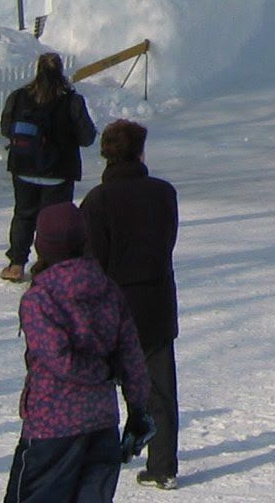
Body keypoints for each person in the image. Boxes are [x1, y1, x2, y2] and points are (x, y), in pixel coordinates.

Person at [4, 203, 151, 502]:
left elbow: (60, 359)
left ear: (40, 245)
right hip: (100, 420)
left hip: (52, 425)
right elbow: (132, 356)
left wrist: (104, 372)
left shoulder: (41, 298)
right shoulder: (108, 289)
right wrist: (138, 409)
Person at [80, 121, 180, 490]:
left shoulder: (97, 201)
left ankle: (99, 454)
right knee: (159, 389)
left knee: (98, 385)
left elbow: (94, 260)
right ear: (139, 151)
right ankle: (163, 464)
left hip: (112, 307)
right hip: (155, 302)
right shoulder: (163, 193)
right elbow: (167, 242)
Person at [0, 52, 99, 283]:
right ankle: (50, 263)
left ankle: (16, 264)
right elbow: (87, 137)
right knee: (55, 220)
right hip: (58, 171)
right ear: (60, 71)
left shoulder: (19, 96)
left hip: (23, 168)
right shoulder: (72, 101)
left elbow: (6, 128)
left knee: (23, 215)